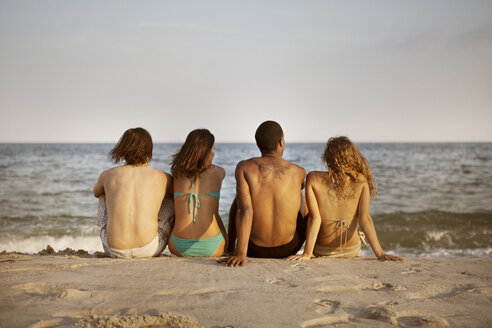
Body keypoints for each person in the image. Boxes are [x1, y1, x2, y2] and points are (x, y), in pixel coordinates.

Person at [287, 136, 403, 261]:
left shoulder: (314, 179)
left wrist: (307, 253)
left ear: (327, 157)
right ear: (353, 157)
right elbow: (365, 219)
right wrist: (380, 253)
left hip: (322, 249)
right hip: (351, 249)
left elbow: (315, 219)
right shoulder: (361, 181)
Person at [219, 121, 307, 267]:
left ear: (258, 144)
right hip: (290, 247)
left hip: (254, 249)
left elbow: (245, 210)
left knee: (240, 200)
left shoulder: (244, 167)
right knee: (304, 196)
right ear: (281, 142)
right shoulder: (299, 171)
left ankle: (230, 248)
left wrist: (241, 253)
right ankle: (313, 249)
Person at [93, 127, 174, 259]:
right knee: (171, 197)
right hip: (149, 249)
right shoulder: (163, 177)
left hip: (114, 250)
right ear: (149, 149)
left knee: (102, 194)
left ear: (123, 149)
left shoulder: (107, 175)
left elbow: (96, 193)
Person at [168, 129, 228, 257]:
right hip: (213, 246)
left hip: (177, 246)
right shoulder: (219, 172)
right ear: (205, 152)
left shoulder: (176, 173)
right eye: (213, 149)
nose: (214, 154)